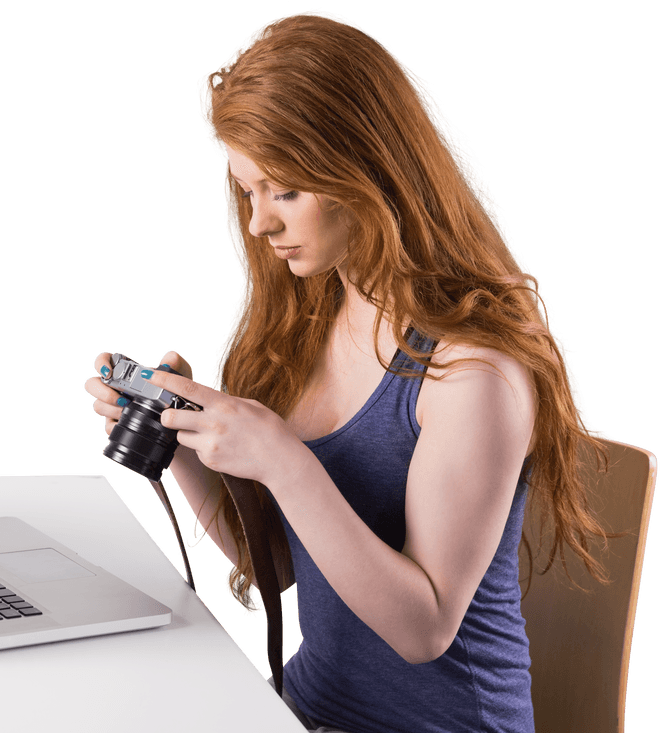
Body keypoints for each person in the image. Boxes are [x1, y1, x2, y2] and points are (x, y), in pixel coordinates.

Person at [84, 10, 609, 733]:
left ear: (365, 170)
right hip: (312, 708)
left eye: (285, 191)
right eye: (247, 191)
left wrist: (284, 460)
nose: (260, 223)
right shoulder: (310, 317)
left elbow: (425, 627)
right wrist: (182, 442)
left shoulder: (473, 371)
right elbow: (278, 562)